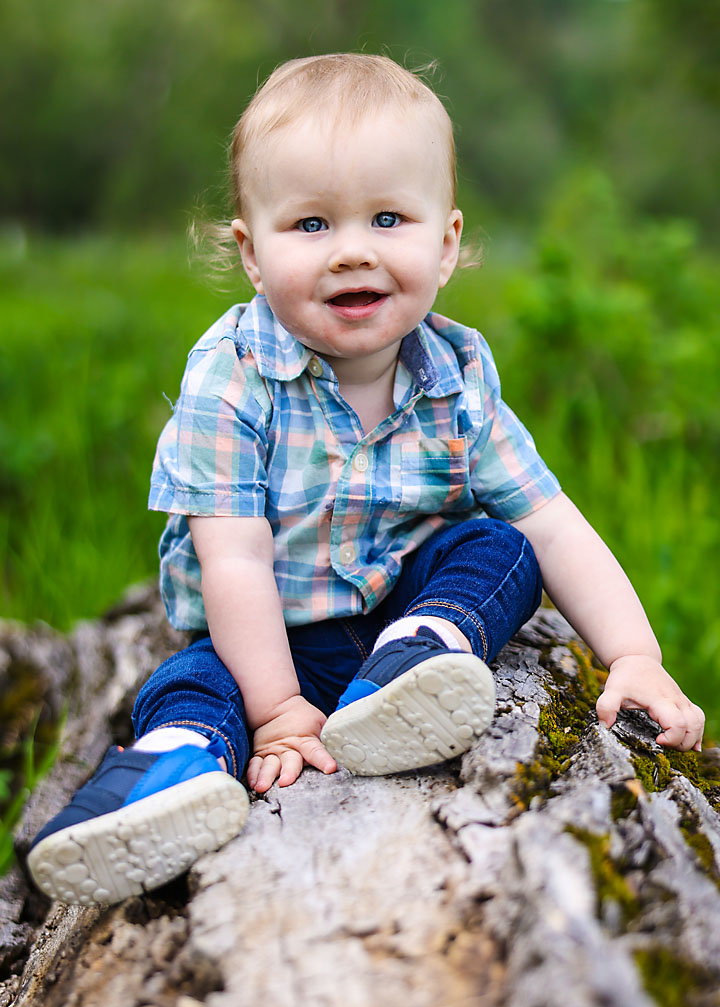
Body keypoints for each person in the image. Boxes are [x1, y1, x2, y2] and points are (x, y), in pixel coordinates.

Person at [27, 53, 704, 907]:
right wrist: (276, 710)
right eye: (311, 225)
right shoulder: (232, 377)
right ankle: (175, 764)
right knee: (193, 679)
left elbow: (552, 521)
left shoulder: (457, 374)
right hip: (266, 633)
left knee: (498, 549)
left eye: (388, 219)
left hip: (396, 607)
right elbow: (233, 561)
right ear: (251, 252)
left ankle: (421, 654)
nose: (352, 252)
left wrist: (634, 655)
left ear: (447, 242)